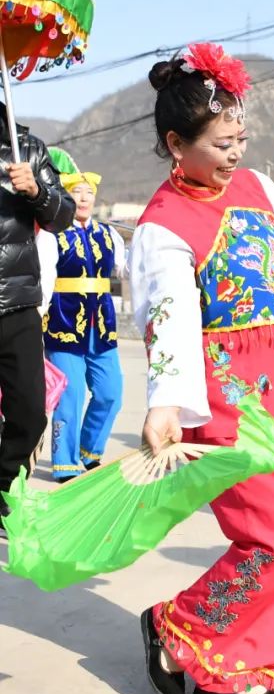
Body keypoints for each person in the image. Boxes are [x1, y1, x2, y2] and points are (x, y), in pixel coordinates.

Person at [129, 43, 274, 694]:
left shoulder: (254, 189)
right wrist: (167, 401)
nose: (235, 153)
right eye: (222, 143)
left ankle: (236, 668)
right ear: (176, 144)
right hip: (227, 403)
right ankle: (177, 624)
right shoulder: (163, 229)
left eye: (240, 138)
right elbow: (168, 316)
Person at [0, 109, 75, 527]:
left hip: (18, 301)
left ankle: (4, 483)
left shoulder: (26, 147)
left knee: (30, 412)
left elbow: (62, 214)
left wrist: (36, 193)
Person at [37, 170, 126, 482]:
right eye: (77, 192)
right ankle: (65, 463)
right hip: (64, 324)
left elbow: (126, 270)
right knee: (70, 396)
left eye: (89, 193)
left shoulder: (110, 235)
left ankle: (89, 451)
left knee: (110, 392)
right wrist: (38, 317)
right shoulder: (52, 236)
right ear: (67, 198)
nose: (84, 198)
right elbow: (45, 280)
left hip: (101, 326)